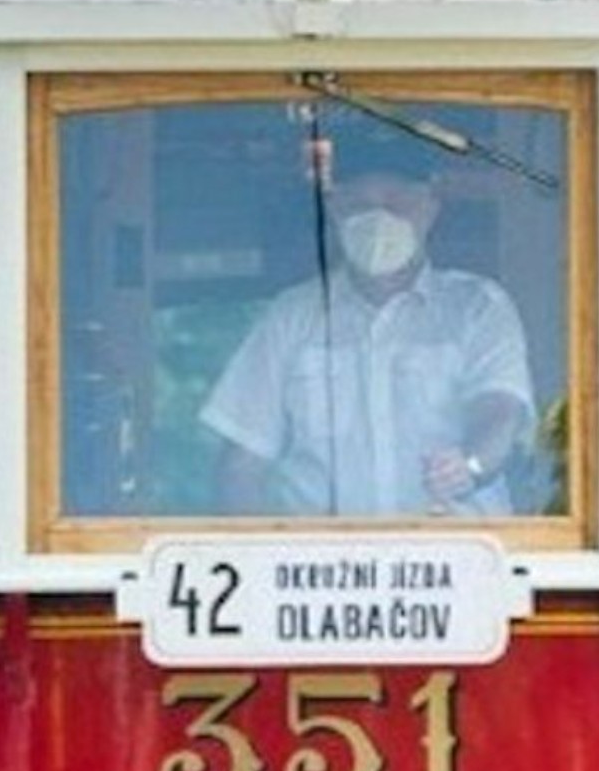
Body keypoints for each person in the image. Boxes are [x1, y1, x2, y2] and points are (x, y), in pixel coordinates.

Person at [201, 148, 535, 517]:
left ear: (430, 207)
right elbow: (242, 466)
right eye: (358, 203)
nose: (379, 218)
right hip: (320, 567)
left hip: (454, 563)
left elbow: (500, 413)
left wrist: (470, 466)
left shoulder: (477, 307)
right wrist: (257, 560)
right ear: (332, 210)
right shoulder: (291, 317)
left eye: (397, 201)